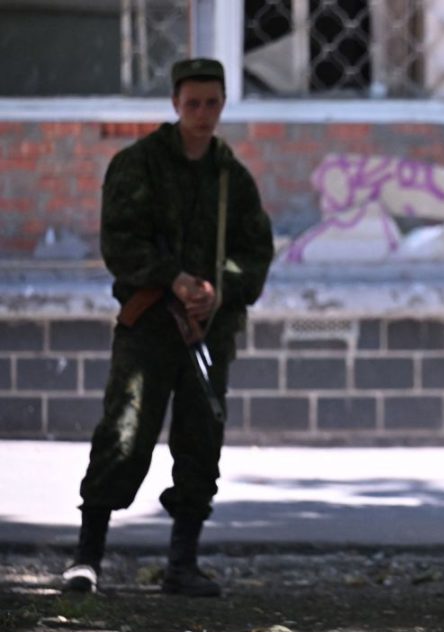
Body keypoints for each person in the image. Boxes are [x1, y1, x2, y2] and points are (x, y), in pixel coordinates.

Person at [61, 58, 274, 597]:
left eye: (213, 103)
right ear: (176, 104)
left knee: (202, 438)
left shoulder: (231, 177)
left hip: (208, 330)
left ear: (224, 104)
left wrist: (216, 290)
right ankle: (88, 557)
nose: (203, 114)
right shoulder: (139, 165)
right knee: (125, 434)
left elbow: (255, 251)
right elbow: (119, 242)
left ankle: (183, 563)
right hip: (150, 323)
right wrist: (172, 279)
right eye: (193, 103)